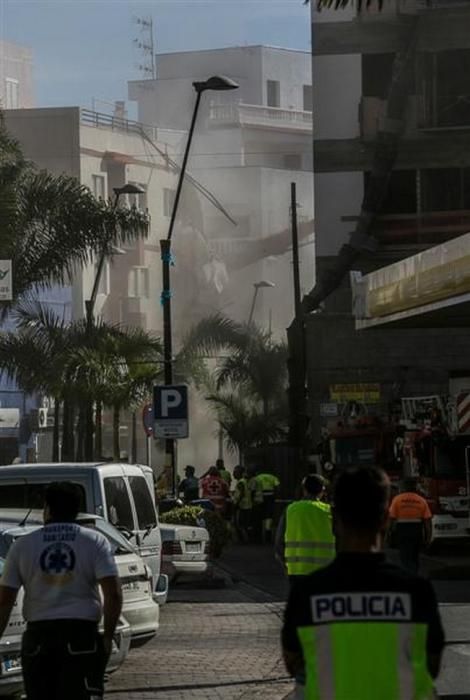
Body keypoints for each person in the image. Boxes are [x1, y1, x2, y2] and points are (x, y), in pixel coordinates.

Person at [282, 466, 445, 700]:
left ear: (336, 522)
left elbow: (293, 663)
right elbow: (432, 664)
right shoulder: (417, 590)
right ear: (385, 521)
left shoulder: (307, 593)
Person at [0, 481, 123, 700]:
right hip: (81, 637)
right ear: (77, 509)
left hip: (38, 640)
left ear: (47, 509)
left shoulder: (23, 545)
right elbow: (113, 594)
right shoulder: (94, 541)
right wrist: (108, 637)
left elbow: (5, 600)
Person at [275, 473, 334, 580]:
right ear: (322, 490)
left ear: (304, 489)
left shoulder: (290, 510)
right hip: (326, 571)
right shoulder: (330, 511)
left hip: (296, 572)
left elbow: (279, 544)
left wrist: (287, 566)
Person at [389, 477, 433, 574]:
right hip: (416, 530)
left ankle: (409, 575)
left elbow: (391, 519)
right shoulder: (421, 500)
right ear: (415, 487)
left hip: (402, 530)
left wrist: (388, 534)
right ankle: (414, 574)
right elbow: (427, 522)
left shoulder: (397, 500)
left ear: (403, 487)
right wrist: (428, 537)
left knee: (405, 556)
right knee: (414, 556)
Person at [256, 467, 280, 543]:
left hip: (261, 496)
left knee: (260, 514)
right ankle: (268, 531)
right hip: (270, 496)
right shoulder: (272, 477)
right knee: (269, 515)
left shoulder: (258, 477)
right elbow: (278, 486)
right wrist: (276, 495)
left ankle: (259, 534)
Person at [232, 465, 252, 543]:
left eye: (235, 472)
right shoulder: (243, 481)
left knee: (239, 523)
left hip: (243, 506)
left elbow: (241, 493)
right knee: (243, 523)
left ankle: (243, 539)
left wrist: (236, 504)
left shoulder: (241, 482)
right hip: (246, 505)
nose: (233, 473)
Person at [246, 466, 264, 543]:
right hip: (260, 501)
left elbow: (252, 491)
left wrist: (251, 501)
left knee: (254, 521)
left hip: (255, 502)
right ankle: (259, 538)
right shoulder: (259, 479)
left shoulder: (253, 480)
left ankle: (255, 538)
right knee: (259, 521)